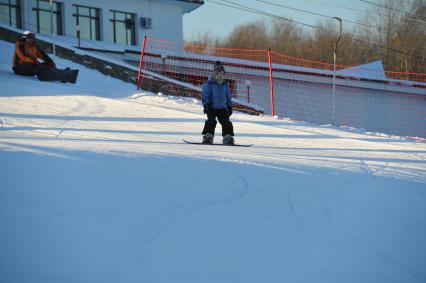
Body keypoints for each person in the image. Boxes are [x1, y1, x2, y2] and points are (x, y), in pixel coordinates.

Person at [12, 31, 78, 84]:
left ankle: (64, 75)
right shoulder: (20, 45)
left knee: (46, 65)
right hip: (19, 68)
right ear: (24, 38)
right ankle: (47, 75)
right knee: (36, 66)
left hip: (30, 67)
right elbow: (22, 57)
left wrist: (50, 62)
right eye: (29, 38)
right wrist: (34, 61)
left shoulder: (34, 47)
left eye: (32, 38)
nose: (30, 40)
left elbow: (43, 55)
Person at [201, 61, 235, 145]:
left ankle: (228, 137)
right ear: (215, 72)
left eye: (222, 73)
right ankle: (208, 136)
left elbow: (228, 96)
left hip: (222, 108)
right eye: (219, 73)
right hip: (211, 107)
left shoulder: (224, 84)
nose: (221, 75)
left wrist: (229, 106)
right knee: (211, 121)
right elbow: (205, 94)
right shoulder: (209, 84)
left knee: (226, 122)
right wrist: (206, 105)